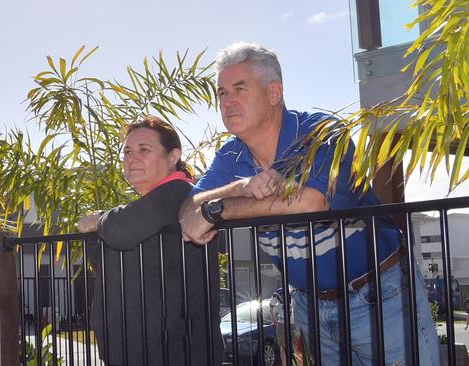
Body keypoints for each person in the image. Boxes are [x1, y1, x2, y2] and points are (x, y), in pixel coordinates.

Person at [179, 42, 440, 365]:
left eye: (239, 89)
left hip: (381, 295)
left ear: (274, 93)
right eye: (221, 93)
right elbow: (188, 206)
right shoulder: (231, 157)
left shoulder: (320, 132)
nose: (227, 102)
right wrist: (241, 187)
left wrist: (219, 209)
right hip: (310, 307)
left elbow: (310, 202)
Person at [77, 116, 222, 366]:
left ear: (172, 156)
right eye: (127, 151)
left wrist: (99, 220)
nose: (132, 158)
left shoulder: (181, 195)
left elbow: (120, 230)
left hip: (172, 350)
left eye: (144, 149)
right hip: (141, 349)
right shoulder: (148, 204)